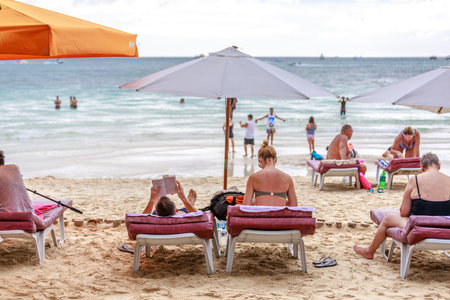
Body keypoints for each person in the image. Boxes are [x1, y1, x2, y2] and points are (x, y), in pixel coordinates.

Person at [353, 153, 450, 259]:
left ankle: (370, 251)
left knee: (387, 218)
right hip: (445, 227)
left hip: (420, 227)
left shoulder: (415, 180)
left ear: (422, 168)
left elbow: (404, 212)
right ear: (439, 166)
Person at [243, 141, 298, 206]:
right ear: (275, 160)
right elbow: (294, 205)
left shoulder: (253, 177)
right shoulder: (287, 178)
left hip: (261, 215)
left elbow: (246, 205)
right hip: (279, 215)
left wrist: (258, 199)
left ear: (260, 160)